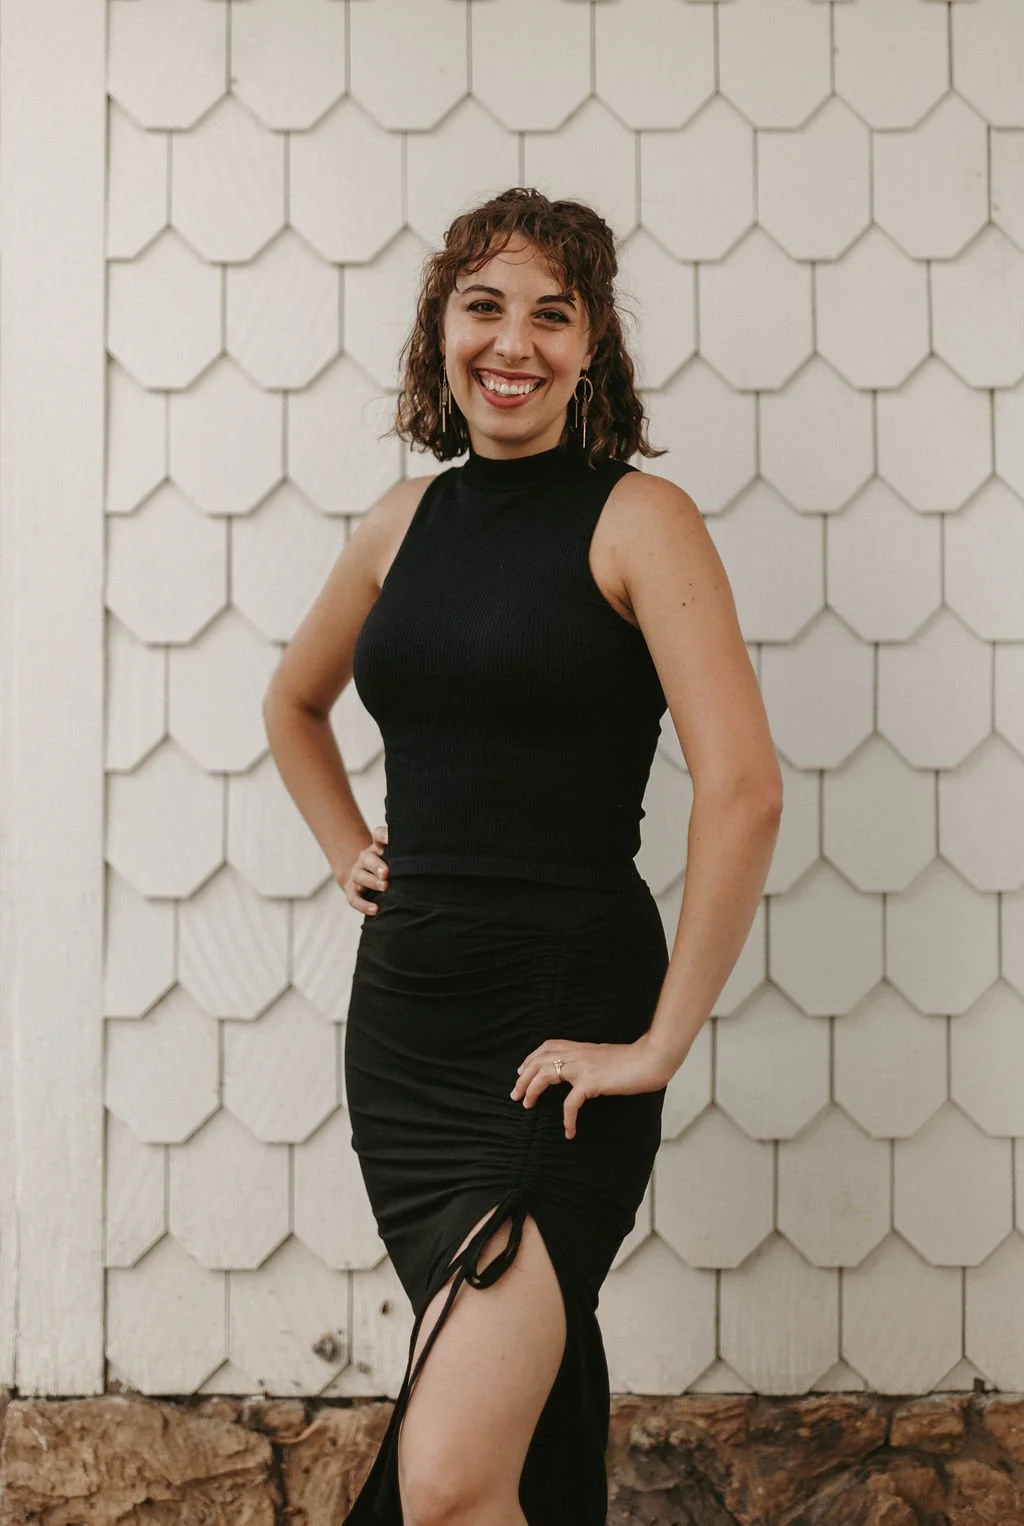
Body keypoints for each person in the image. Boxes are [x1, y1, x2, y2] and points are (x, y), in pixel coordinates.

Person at [263, 187, 782, 1526]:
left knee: (444, 1481)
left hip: (561, 1038)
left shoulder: (639, 519)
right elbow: (292, 703)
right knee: (514, 1430)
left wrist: (657, 1046)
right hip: (410, 1040)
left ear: (593, 344)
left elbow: (745, 790)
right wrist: (347, 850)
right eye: (483, 305)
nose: (515, 342)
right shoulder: (402, 523)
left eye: (554, 313)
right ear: (441, 326)